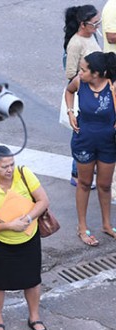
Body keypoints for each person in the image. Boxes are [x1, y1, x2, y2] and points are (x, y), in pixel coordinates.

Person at [0, 146, 50, 330]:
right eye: (4, 166)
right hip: (0, 241)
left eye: (12, 164)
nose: (10, 169)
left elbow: (43, 200)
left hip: (28, 237)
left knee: (32, 280)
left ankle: (34, 316)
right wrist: (9, 225)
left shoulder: (24, 174)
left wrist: (29, 218)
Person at [66, 51, 116, 246]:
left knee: (104, 185)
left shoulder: (112, 86)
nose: (80, 73)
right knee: (84, 183)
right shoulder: (79, 82)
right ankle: (82, 226)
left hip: (108, 143)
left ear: (97, 73)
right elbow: (69, 91)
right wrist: (70, 112)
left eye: (84, 70)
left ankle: (106, 225)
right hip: (84, 141)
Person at [63, 5, 101, 187]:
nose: (98, 26)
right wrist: (88, 77)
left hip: (96, 91)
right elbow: (70, 73)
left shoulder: (91, 36)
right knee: (81, 132)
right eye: (95, 23)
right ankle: (76, 172)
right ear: (83, 24)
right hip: (84, 94)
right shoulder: (76, 43)